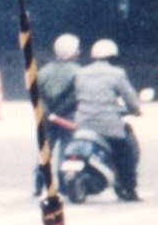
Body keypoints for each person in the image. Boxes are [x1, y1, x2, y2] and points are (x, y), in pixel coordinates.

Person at [74, 39, 143, 200]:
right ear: (113, 57)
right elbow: (130, 98)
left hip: (82, 122)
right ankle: (129, 189)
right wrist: (136, 110)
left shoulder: (81, 73)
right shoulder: (117, 74)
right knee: (124, 154)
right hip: (108, 124)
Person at [34, 33, 80, 195]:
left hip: (47, 117)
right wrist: (61, 111)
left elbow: (36, 96)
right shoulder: (78, 72)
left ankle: (39, 182)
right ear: (73, 52)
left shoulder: (44, 71)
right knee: (66, 150)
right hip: (68, 118)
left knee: (45, 150)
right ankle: (63, 183)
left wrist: (49, 112)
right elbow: (77, 95)